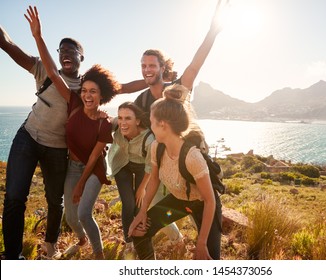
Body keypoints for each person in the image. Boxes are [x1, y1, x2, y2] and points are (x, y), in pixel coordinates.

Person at [24, 6, 120, 259]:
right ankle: (81, 239)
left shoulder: (104, 123)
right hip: (73, 166)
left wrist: (79, 185)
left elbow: (93, 160)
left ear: (101, 96)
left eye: (93, 92)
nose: (87, 96)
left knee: (83, 213)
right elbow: (53, 72)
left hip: (94, 169)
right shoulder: (74, 104)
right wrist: (37, 37)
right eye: (84, 90)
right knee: (70, 216)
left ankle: (99, 256)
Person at [0, 18, 85, 260]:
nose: (65, 53)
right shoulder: (43, 68)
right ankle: (13, 256)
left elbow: (120, 87)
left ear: (82, 57)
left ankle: (50, 246)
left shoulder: (87, 86)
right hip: (28, 138)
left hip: (58, 149)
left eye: (71, 50)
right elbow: (8, 44)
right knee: (15, 198)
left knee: (54, 201)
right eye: (61, 50)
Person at [128, 84, 222, 260]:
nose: (150, 125)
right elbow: (154, 179)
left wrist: (200, 244)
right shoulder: (157, 147)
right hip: (179, 201)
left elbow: (210, 201)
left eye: (151, 120)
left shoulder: (192, 157)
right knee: (139, 232)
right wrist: (142, 212)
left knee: (209, 258)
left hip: (204, 205)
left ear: (162, 124)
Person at [121, 0, 227, 123]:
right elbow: (129, 121)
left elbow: (193, 68)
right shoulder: (142, 100)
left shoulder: (176, 90)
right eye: (143, 66)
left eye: (152, 66)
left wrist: (212, 32)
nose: (147, 69)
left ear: (162, 68)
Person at [107, 102, 183, 259]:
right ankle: (129, 243)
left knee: (140, 204)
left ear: (138, 121)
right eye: (120, 118)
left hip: (143, 166)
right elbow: (107, 119)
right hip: (122, 164)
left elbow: (150, 168)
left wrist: (142, 189)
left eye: (128, 118)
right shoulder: (117, 125)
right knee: (128, 205)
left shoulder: (149, 139)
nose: (123, 122)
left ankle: (174, 239)